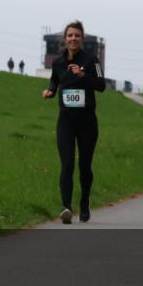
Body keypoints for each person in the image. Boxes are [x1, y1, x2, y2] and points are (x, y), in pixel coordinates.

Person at [42, 21, 106, 224]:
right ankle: (67, 207)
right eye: (70, 35)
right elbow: (55, 80)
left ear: (82, 38)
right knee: (67, 165)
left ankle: (84, 202)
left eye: (77, 35)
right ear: (65, 39)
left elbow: (101, 85)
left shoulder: (92, 60)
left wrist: (83, 75)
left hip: (87, 121)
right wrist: (50, 91)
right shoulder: (58, 62)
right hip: (66, 121)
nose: (73, 39)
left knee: (84, 166)